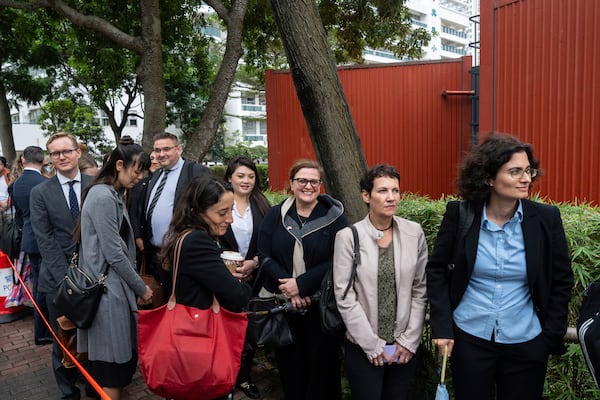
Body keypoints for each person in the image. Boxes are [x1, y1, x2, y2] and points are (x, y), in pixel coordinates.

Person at [426, 133, 574, 400]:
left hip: (527, 341)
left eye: (529, 170)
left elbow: (562, 280)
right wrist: (443, 328)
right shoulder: (459, 214)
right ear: (489, 178)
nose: (526, 178)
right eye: (515, 171)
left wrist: (548, 338)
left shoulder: (546, 219)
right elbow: (436, 272)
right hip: (470, 337)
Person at [332, 164, 428, 400]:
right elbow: (344, 296)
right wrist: (371, 345)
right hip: (362, 345)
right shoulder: (348, 237)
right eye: (383, 191)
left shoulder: (413, 232)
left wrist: (408, 341)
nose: (391, 197)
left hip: (403, 345)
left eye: (395, 191)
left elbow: (420, 289)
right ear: (366, 195)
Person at [257, 159, 349, 400]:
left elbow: (340, 258)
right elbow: (264, 254)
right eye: (301, 180)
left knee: (323, 369)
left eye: (313, 181)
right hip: (284, 304)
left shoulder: (335, 216)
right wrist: (290, 288)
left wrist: (303, 284)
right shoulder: (276, 214)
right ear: (291, 183)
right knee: (291, 367)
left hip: (322, 306)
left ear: (320, 184)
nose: (308, 185)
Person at [160, 175, 252, 400]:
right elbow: (236, 296)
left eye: (231, 210)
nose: (230, 219)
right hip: (200, 341)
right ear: (197, 211)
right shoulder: (198, 242)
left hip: (187, 338)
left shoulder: (186, 236)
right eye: (222, 213)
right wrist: (240, 282)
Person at [74, 141, 153, 400]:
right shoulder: (103, 195)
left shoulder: (111, 193)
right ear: (119, 165)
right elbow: (115, 253)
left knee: (114, 366)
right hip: (108, 292)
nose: (139, 177)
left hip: (111, 289)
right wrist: (141, 287)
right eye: (136, 171)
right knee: (112, 369)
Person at [30, 132, 94, 400]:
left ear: (78, 152)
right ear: (50, 159)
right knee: (63, 337)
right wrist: (66, 279)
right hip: (58, 280)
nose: (62, 157)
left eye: (66, 151)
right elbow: (44, 239)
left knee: (92, 336)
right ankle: (68, 392)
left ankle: (93, 384)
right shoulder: (40, 192)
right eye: (55, 153)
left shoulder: (96, 184)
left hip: (94, 276)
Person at [221, 156, 271, 399]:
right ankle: (223, 379)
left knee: (247, 330)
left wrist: (253, 263)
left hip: (253, 277)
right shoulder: (219, 202)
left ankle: (243, 377)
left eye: (251, 176)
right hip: (221, 278)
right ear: (230, 177)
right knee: (223, 328)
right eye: (240, 175)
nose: (246, 181)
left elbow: (270, 245)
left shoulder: (263, 206)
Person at [141, 132, 209, 300]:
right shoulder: (156, 175)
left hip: (184, 255)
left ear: (178, 149)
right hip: (157, 255)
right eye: (157, 150)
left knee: (183, 304)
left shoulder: (196, 172)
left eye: (166, 149)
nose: (161, 154)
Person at [10, 146, 51, 345]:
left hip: (28, 238)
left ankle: (41, 329)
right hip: (45, 240)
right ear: (43, 161)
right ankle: (43, 330)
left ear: (23, 160)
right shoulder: (45, 183)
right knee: (45, 287)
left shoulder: (16, 184)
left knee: (38, 285)